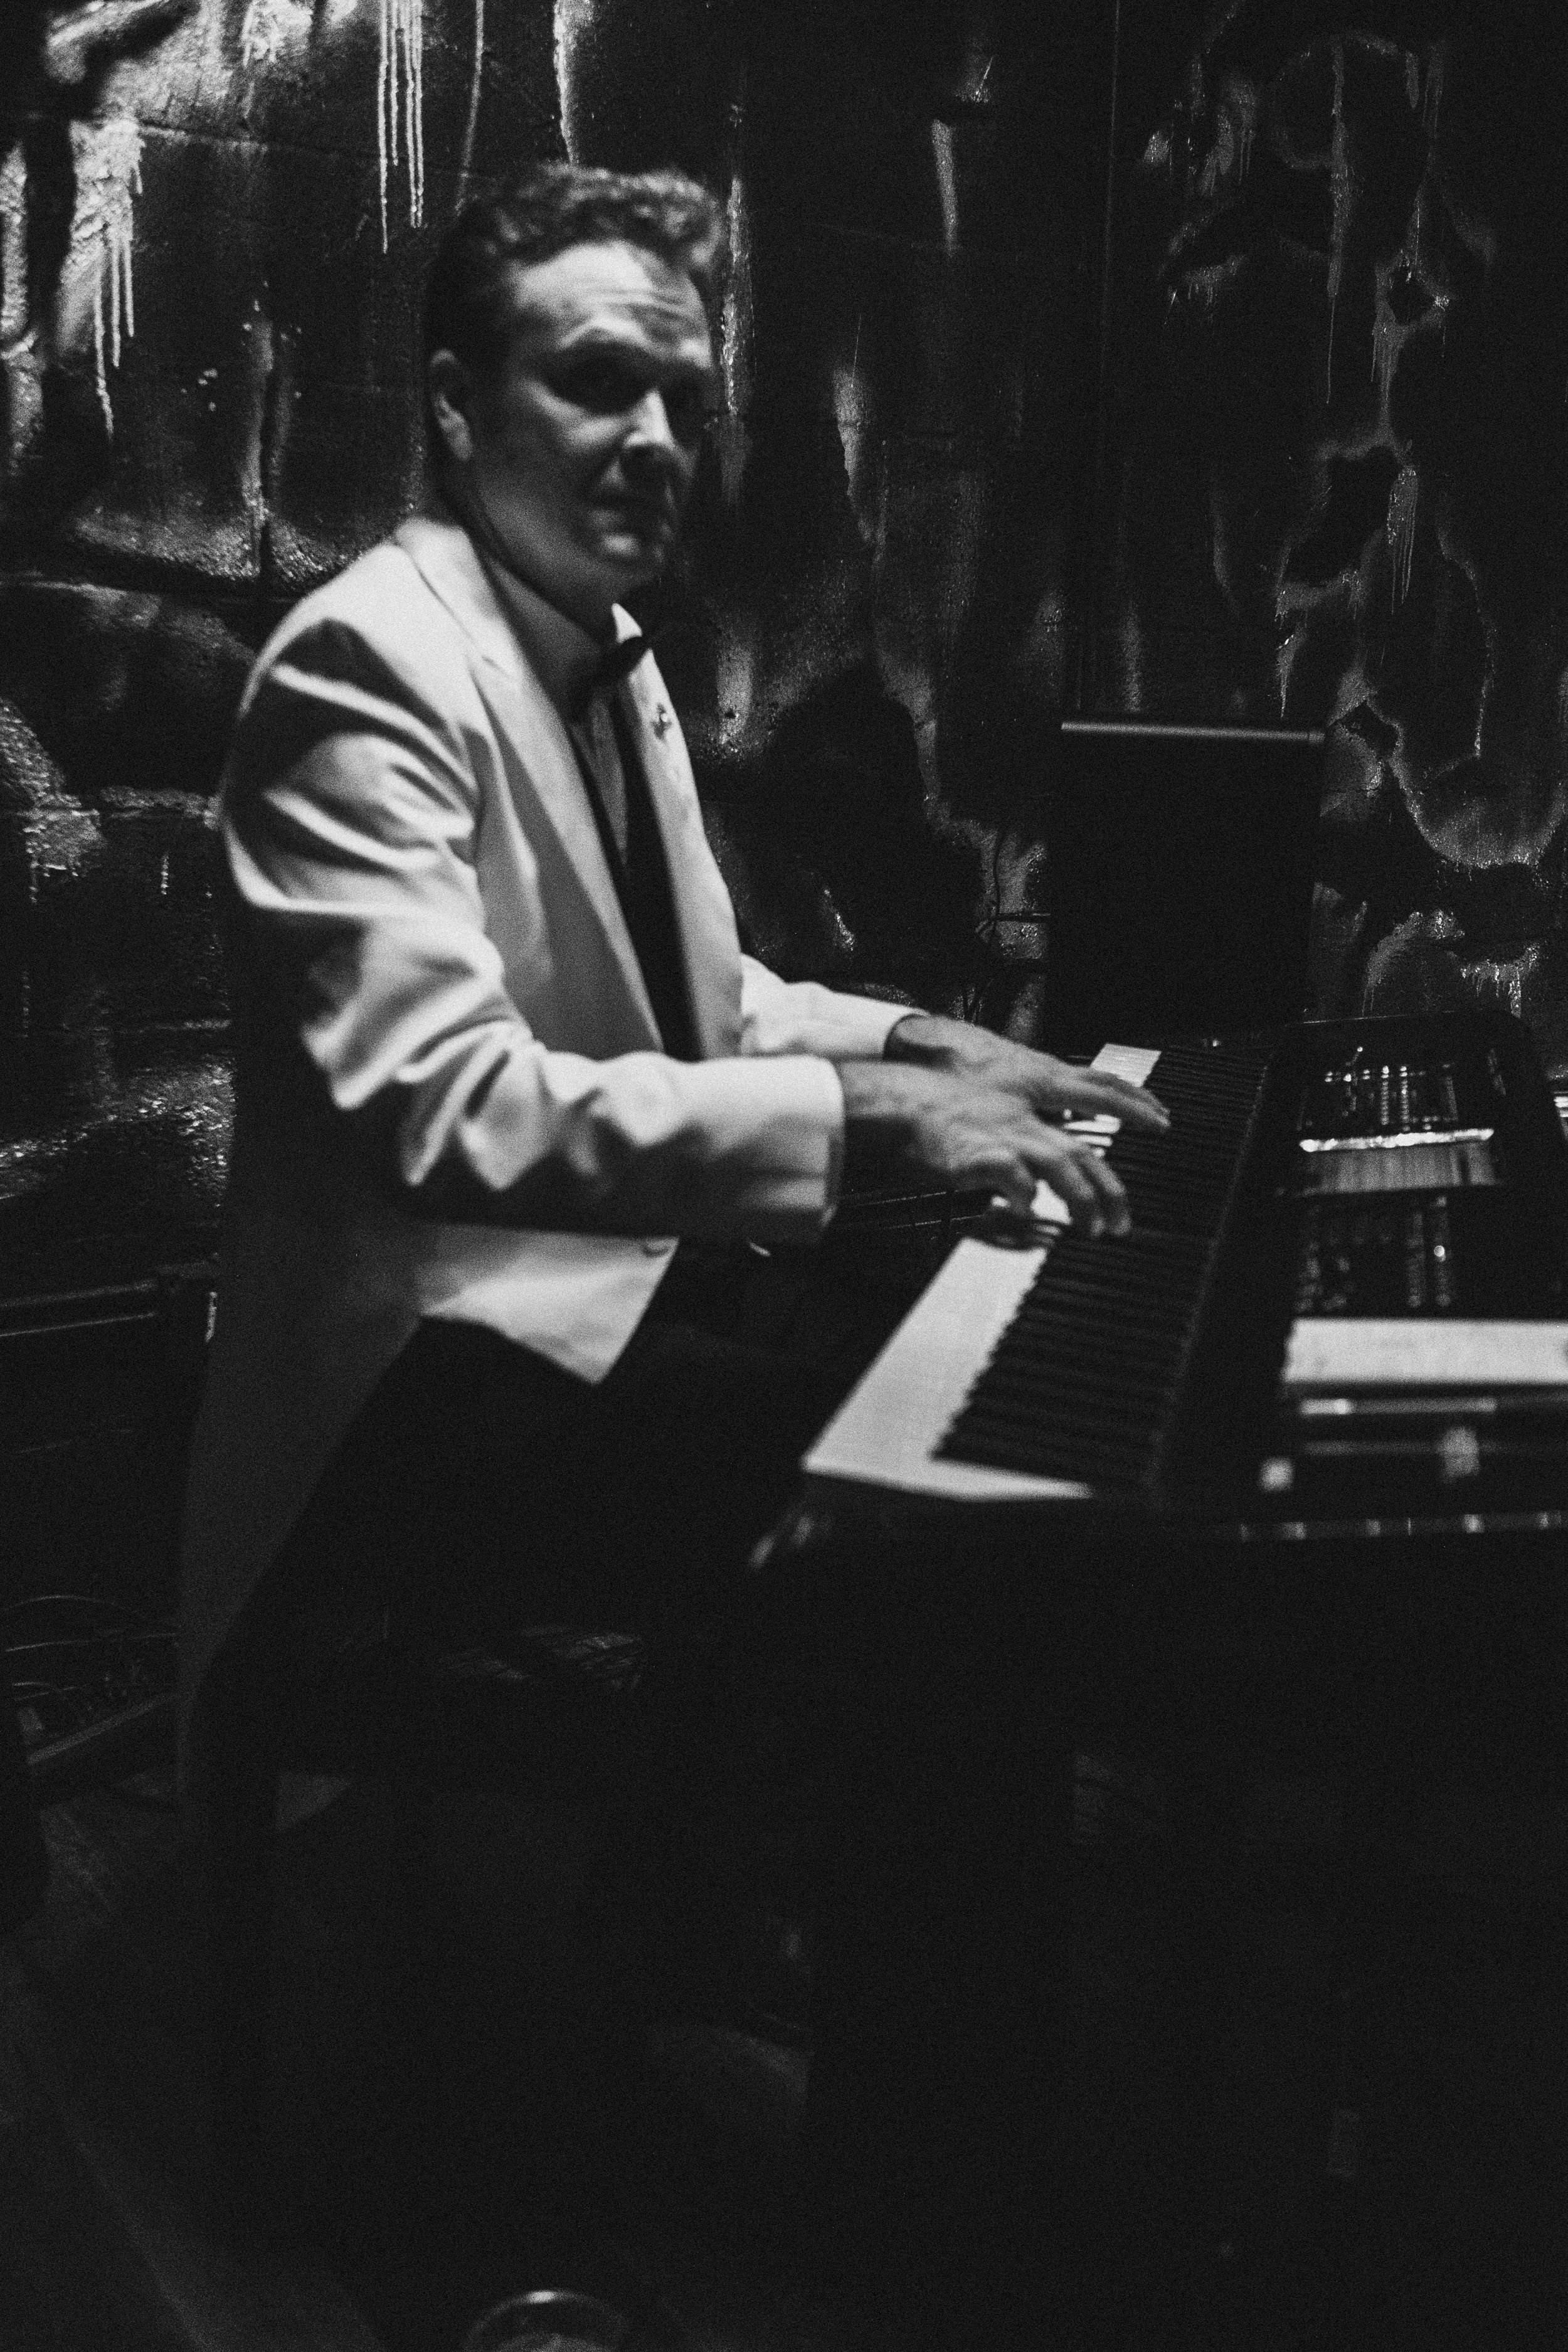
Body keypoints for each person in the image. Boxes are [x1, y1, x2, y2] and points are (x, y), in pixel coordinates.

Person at [180, 157, 1165, 1768]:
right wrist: (871, 1123)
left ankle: (691, 1899)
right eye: (591, 384)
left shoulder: (604, 645)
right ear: (453, 404)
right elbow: (446, 1111)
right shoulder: (368, 660)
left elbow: (708, 1006)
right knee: (933, 1533)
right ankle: (799, 1963)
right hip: (410, 1377)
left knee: (962, 1390)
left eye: (683, 401)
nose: (650, 439)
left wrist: (929, 1045)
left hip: (588, 1293)